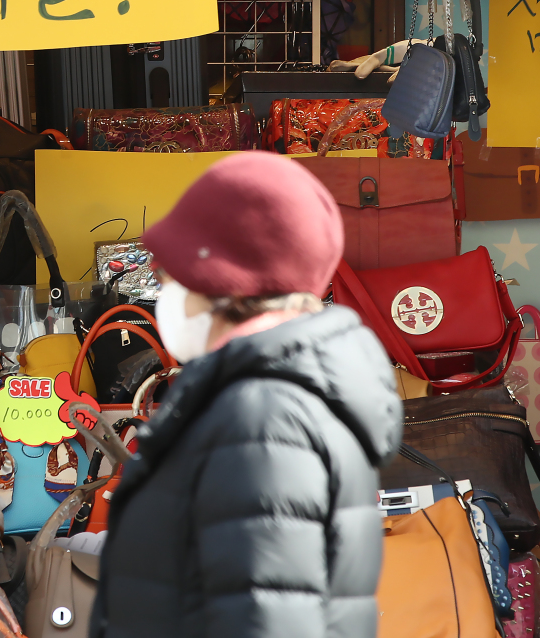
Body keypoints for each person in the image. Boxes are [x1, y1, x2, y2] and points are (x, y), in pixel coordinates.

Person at [90, 151, 402, 638]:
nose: (162, 296)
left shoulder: (259, 415)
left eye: (171, 278)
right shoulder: (284, 397)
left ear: (226, 284)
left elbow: (264, 616)